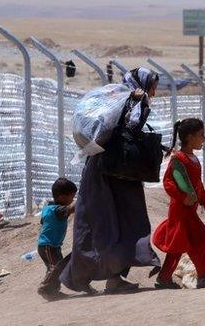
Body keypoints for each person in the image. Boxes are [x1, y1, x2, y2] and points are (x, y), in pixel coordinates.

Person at [60, 68, 162, 294]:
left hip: (98, 168)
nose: (153, 92)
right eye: (152, 86)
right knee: (126, 222)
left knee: (96, 223)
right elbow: (131, 128)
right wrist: (140, 104)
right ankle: (103, 277)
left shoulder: (114, 97)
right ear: (143, 83)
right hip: (119, 173)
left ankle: (76, 276)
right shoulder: (134, 100)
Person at [152, 118, 205, 289]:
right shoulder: (179, 159)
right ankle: (203, 276)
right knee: (198, 237)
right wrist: (183, 197)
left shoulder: (192, 159)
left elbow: (198, 185)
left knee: (179, 244)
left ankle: (164, 278)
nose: (204, 138)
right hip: (181, 210)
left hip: (189, 210)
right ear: (190, 137)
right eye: (201, 135)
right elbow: (168, 182)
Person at [37, 178, 77, 298]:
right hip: (48, 245)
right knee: (55, 267)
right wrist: (83, 198)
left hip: (51, 245)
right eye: (71, 196)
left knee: (58, 267)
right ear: (61, 197)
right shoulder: (58, 210)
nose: (72, 199)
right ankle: (45, 287)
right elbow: (70, 209)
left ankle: (52, 292)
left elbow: (43, 221)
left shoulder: (48, 208)